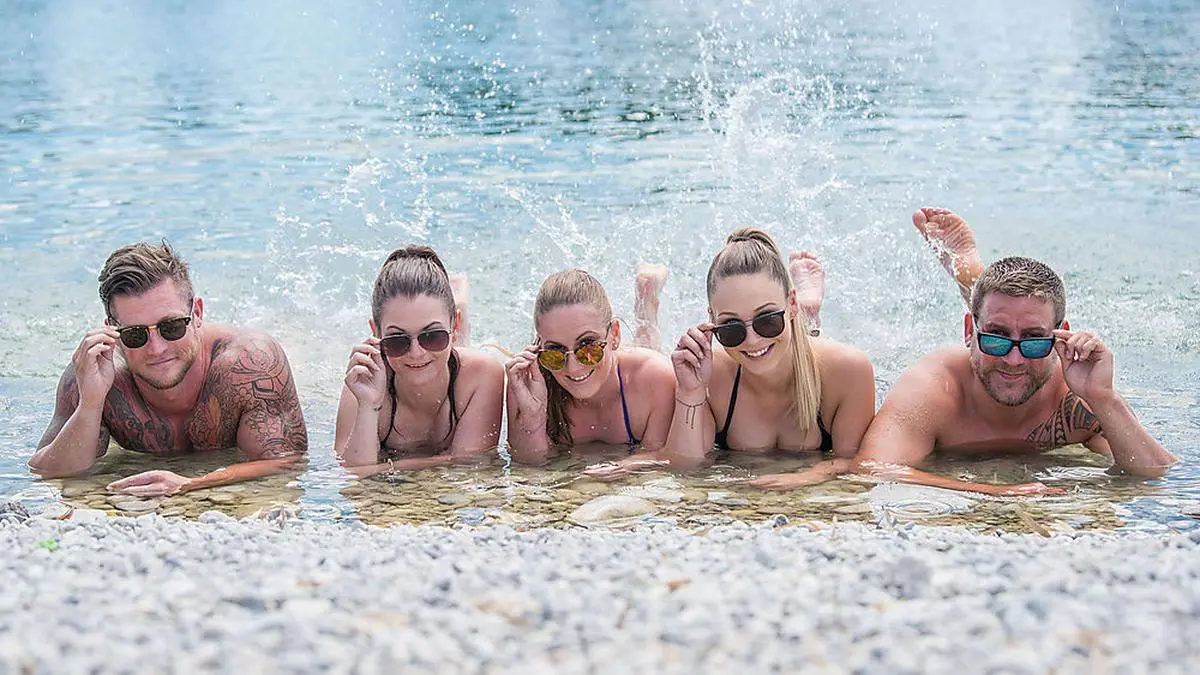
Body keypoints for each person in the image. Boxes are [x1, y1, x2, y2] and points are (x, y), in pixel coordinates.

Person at [851, 208, 1177, 496]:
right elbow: (872, 469)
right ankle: (969, 272)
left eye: (1035, 341)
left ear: (1060, 336)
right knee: (1000, 316)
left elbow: (1155, 473)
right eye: (996, 339)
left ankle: (977, 285)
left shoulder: (1077, 394)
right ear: (968, 332)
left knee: (1003, 316)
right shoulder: (934, 387)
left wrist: (1104, 398)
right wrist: (995, 492)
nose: (1014, 360)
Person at [600, 228, 876, 488]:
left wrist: (807, 478)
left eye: (767, 320)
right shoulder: (711, 375)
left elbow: (855, 460)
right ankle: (647, 305)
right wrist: (690, 391)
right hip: (781, 335)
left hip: (802, 345)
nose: (752, 340)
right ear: (712, 319)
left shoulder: (848, 370)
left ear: (791, 304)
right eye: (731, 328)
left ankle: (809, 308)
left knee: (799, 338)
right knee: (654, 360)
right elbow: (686, 464)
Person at [30, 242, 307, 496]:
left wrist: (191, 483)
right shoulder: (94, 372)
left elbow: (287, 461)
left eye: (171, 327)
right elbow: (48, 471)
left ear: (196, 314)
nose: (156, 348)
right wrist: (91, 404)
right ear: (112, 330)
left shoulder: (249, 364)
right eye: (135, 334)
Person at [335, 247, 504, 473]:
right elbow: (352, 473)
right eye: (397, 340)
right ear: (376, 333)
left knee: (456, 352)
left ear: (453, 325)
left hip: (454, 361)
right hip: (439, 356)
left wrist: (383, 468)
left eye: (432, 336)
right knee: (439, 354)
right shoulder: (363, 382)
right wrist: (369, 406)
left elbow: (470, 463)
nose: (416, 353)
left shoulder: (483, 375)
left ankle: (458, 312)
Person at [504, 267, 677, 464]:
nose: (573, 367)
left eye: (588, 345)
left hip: (635, 372)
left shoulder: (657, 377)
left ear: (614, 335)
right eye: (555, 352)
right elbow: (528, 463)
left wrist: (627, 466)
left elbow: (663, 454)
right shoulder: (525, 383)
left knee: (647, 347)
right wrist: (532, 417)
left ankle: (646, 300)